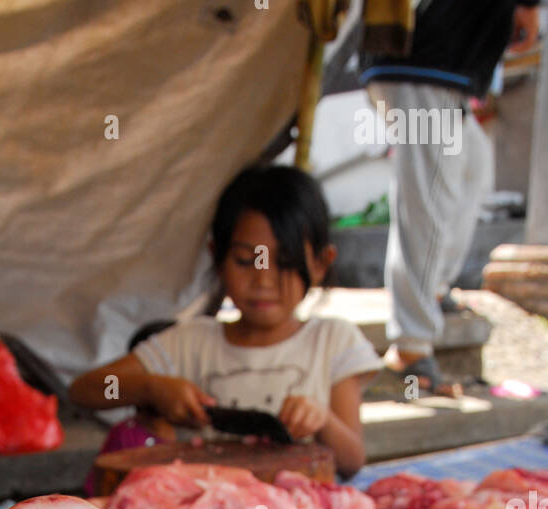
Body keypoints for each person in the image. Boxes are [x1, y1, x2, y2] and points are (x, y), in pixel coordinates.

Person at [69, 165, 381, 477]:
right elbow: (85, 391)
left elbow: (352, 462)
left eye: (284, 261)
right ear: (216, 257)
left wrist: (322, 419)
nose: (263, 279)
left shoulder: (333, 341)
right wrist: (151, 388)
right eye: (245, 260)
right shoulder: (192, 340)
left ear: (320, 263)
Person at [360, 0, 541, 395]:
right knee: (428, 201)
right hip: (424, 59)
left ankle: (433, 291)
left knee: (471, 172)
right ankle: (410, 349)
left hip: (440, 66)